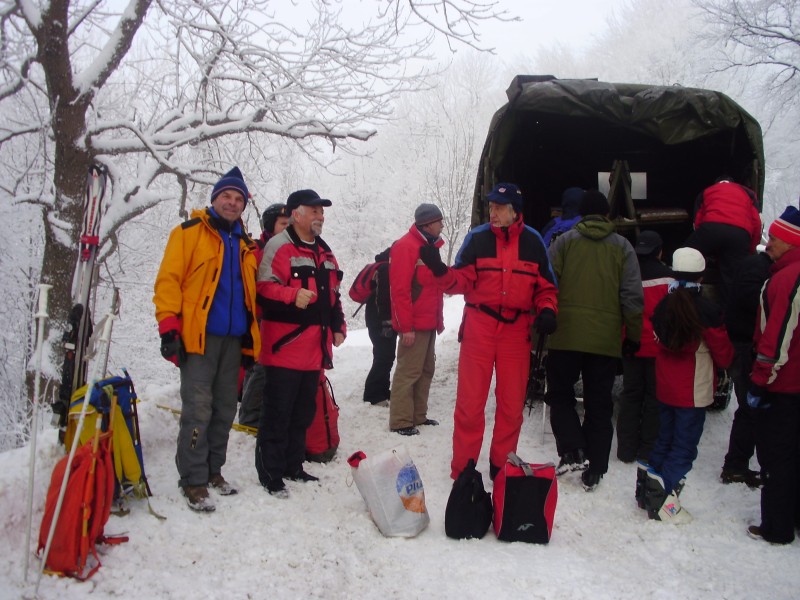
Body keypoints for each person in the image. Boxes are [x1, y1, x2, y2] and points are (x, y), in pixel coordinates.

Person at [420, 183, 558, 479]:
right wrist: (441, 271)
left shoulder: (533, 242)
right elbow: (460, 282)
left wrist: (547, 309)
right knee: (470, 404)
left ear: (514, 211)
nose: (492, 213)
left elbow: (546, 288)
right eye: (491, 207)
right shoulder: (477, 238)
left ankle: (501, 468)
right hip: (479, 327)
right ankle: (464, 470)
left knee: (511, 405)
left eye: (499, 207)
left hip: (516, 332)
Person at [153, 166, 260, 512]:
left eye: (238, 198)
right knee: (198, 408)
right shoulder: (188, 234)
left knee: (225, 408)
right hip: (198, 339)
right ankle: (193, 479)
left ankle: (214, 470)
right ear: (214, 199)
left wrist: (251, 343)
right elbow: (168, 281)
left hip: (234, 341)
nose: (232, 203)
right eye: (226, 196)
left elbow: (251, 297)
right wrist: (169, 328)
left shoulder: (245, 245)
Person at [545, 190, 643, 492]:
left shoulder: (564, 242)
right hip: (604, 340)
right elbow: (632, 297)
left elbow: (547, 284)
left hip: (565, 336)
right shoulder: (623, 247)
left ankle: (572, 448)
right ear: (606, 215)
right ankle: (595, 469)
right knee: (599, 404)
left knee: (559, 394)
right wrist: (633, 337)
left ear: (581, 213)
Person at [254, 189, 346, 499]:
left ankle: (293, 466)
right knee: (277, 414)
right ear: (297, 214)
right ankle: (271, 474)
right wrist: (292, 295)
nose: (321, 216)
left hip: (314, 351)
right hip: (284, 349)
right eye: (315, 210)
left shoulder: (325, 252)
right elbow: (263, 288)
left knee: (302, 414)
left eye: (322, 211)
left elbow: (333, 297)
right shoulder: (278, 247)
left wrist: (338, 326)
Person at [643, 247, 734, 523]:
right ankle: (664, 501)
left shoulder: (663, 306)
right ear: (701, 277)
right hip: (692, 388)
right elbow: (723, 352)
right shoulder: (706, 310)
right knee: (684, 446)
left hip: (666, 384)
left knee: (664, 439)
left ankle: (646, 492)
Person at [746, 206, 800, 545]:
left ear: (792, 241)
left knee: (778, 455)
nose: (769, 244)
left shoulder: (787, 279)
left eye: (775, 239)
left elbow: (777, 335)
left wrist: (761, 379)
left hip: (785, 383)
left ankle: (777, 527)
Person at [388, 204, 446, 435]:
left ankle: (418, 416)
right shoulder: (405, 247)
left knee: (426, 369)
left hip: (428, 322)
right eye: (439, 221)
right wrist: (406, 327)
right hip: (414, 325)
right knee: (409, 372)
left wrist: (438, 320)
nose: (442, 225)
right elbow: (399, 291)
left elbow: (434, 287)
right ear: (427, 224)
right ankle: (401, 421)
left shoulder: (430, 247)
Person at [616, 230, 674, 463]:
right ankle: (648, 450)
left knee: (630, 395)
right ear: (659, 252)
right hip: (658, 349)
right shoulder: (669, 279)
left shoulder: (625, 274)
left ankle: (625, 449)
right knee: (654, 397)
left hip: (631, 344)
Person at [719, 248, 772, 487]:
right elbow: (749, 298)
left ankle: (737, 464)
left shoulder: (755, 266)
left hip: (743, 342)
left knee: (750, 407)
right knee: (750, 408)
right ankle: (735, 466)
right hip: (744, 344)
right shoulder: (757, 268)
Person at [238, 203, 290, 427]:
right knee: (261, 366)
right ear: (270, 226)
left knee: (258, 366)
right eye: (283, 224)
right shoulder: (259, 250)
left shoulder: (285, 248)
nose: (288, 228)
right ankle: (250, 416)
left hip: (274, 316)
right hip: (259, 316)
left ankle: (251, 409)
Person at [686, 176, 761, 305]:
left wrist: (705, 247)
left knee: (686, 255)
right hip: (739, 234)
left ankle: (683, 297)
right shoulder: (749, 193)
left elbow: (697, 220)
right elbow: (757, 223)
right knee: (732, 278)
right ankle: (727, 311)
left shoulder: (707, 191)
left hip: (711, 227)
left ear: (717, 183)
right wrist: (750, 249)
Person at [362, 246, 396, 407]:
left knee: (385, 355)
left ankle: (382, 390)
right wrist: (387, 322)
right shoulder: (386, 269)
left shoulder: (383, 267)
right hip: (381, 321)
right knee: (384, 356)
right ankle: (372, 394)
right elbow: (383, 299)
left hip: (376, 319)